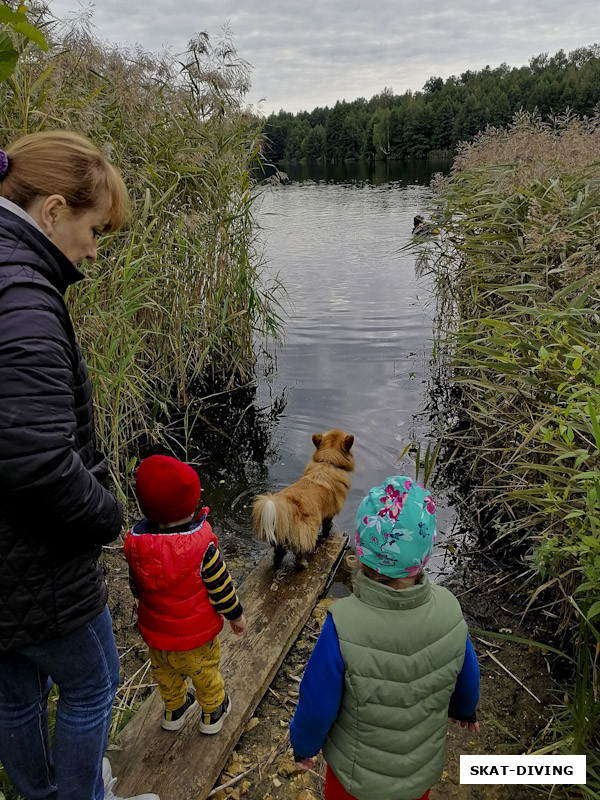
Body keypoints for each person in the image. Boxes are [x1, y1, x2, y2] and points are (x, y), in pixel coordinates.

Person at [0, 131, 158, 799]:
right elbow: (35, 460)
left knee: (14, 692)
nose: (94, 251)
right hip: (34, 563)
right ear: (53, 210)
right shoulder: (25, 299)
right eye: (94, 230)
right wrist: (107, 514)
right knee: (93, 684)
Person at [290, 476, 480, 800]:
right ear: (424, 553)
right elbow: (468, 677)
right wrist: (465, 710)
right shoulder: (450, 610)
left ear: (362, 551)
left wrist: (304, 746)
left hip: (355, 782)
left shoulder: (343, 624)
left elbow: (316, 705)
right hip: (418, 777)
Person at [124, 455, 247, 734]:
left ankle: (174, 710)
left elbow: (136, 588)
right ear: (191, 505)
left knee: (166, 675)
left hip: (157, 636)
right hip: (196, 638)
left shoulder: (136, 546)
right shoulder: (201, 547)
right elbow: (221, 588)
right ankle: (213, 712)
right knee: (204, 673)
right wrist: (236, 616)